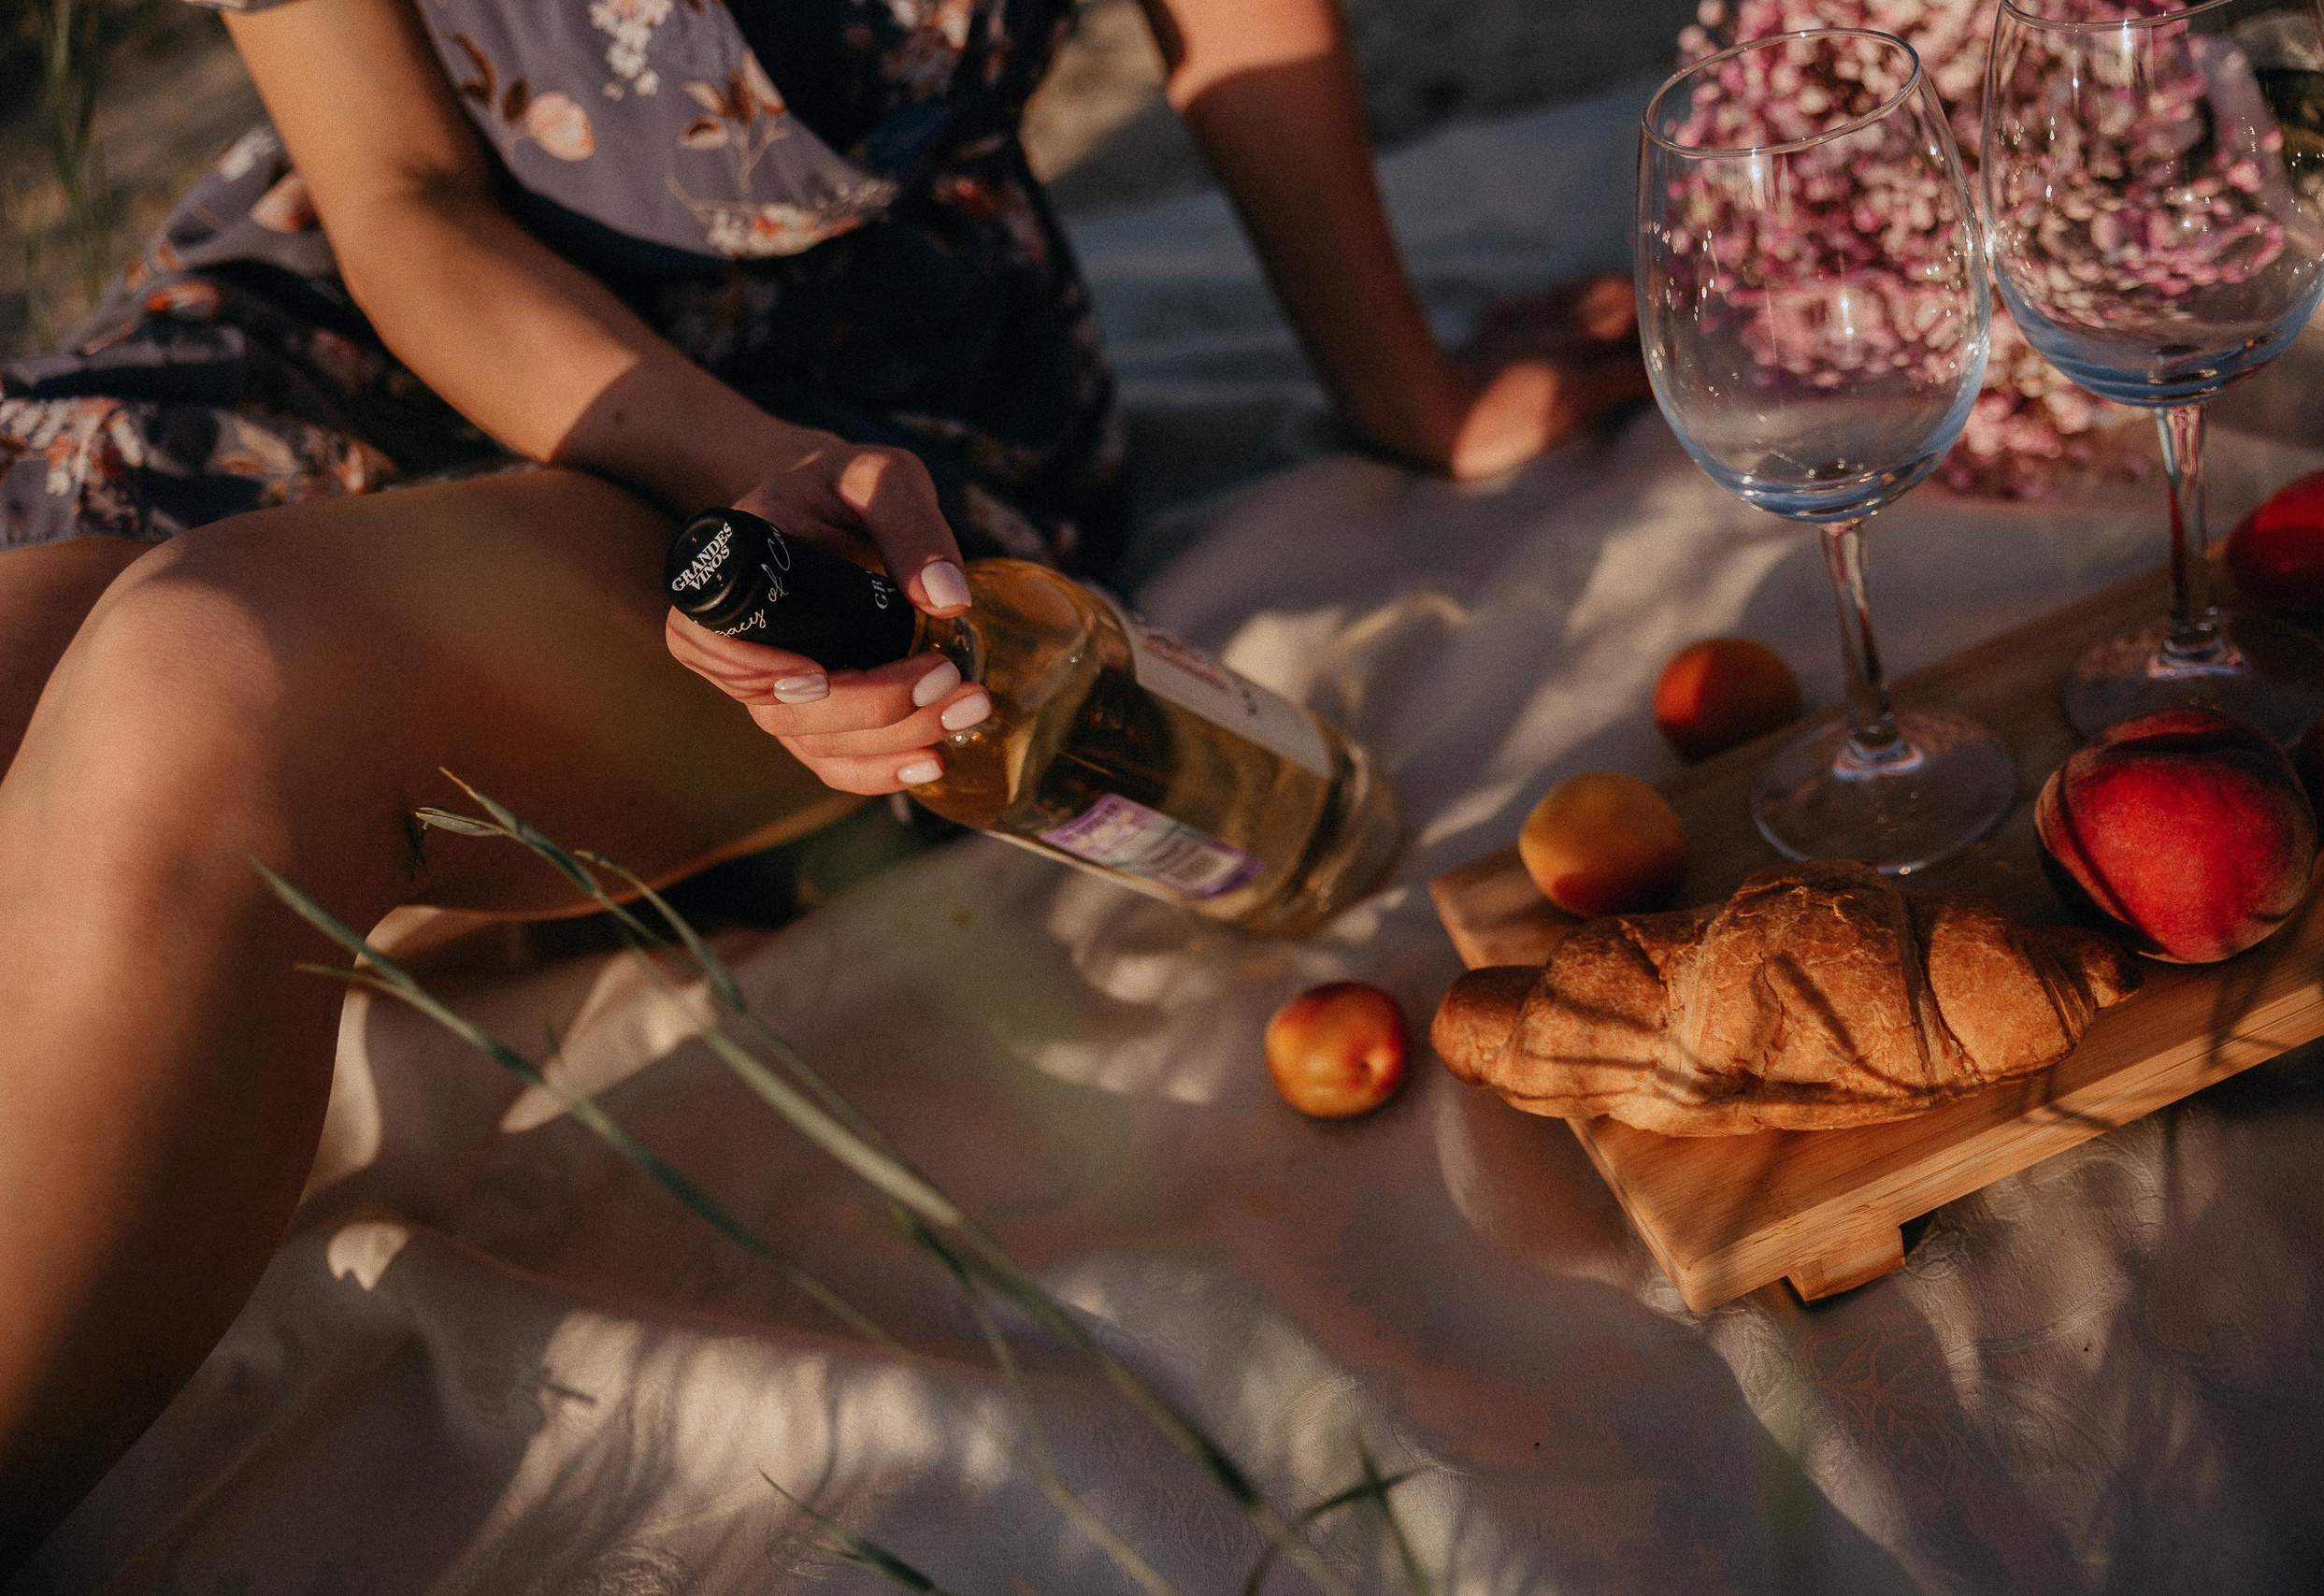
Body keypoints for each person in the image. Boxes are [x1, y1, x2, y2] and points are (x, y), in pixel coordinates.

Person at [0, 0, 1644, 1557]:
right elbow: (398, 186)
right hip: (370, 305)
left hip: (852, 411)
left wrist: (1405, 391)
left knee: (207, 685)